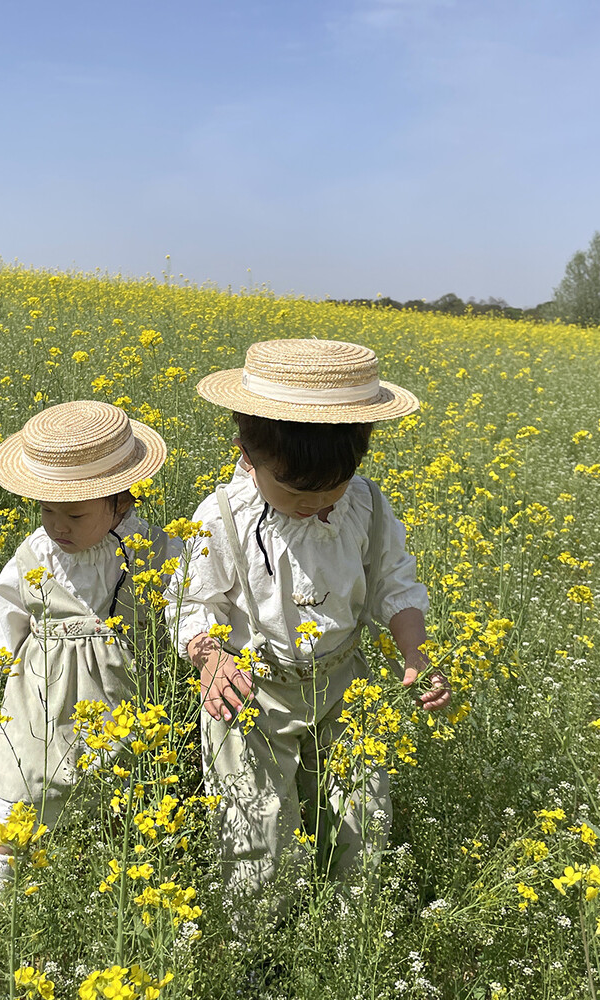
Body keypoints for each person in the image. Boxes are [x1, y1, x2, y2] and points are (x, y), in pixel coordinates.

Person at [165, 338, 451, 920]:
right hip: (249, 690)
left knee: (361, 816)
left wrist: (416, 653)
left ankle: (349, 934)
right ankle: (257, 941)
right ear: (247, 455)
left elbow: (395, 584)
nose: (314, 504)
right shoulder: (223, 515)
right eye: (295, 491)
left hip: (345, 684)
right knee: (255, 823)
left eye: (332, 488)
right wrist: (210, 657)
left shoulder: (365, 506)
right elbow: (191, 600)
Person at [0, 399, 181, 905]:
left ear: (120, 504)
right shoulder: (36, 551)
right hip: (38, 689)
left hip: (117, 687)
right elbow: (8, 608)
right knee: (20, 783)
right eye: (47, 511)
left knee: (116, 787)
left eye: (75, 514)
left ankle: (107, 888)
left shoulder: (150, 547)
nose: (58, 526)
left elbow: (184, 598)